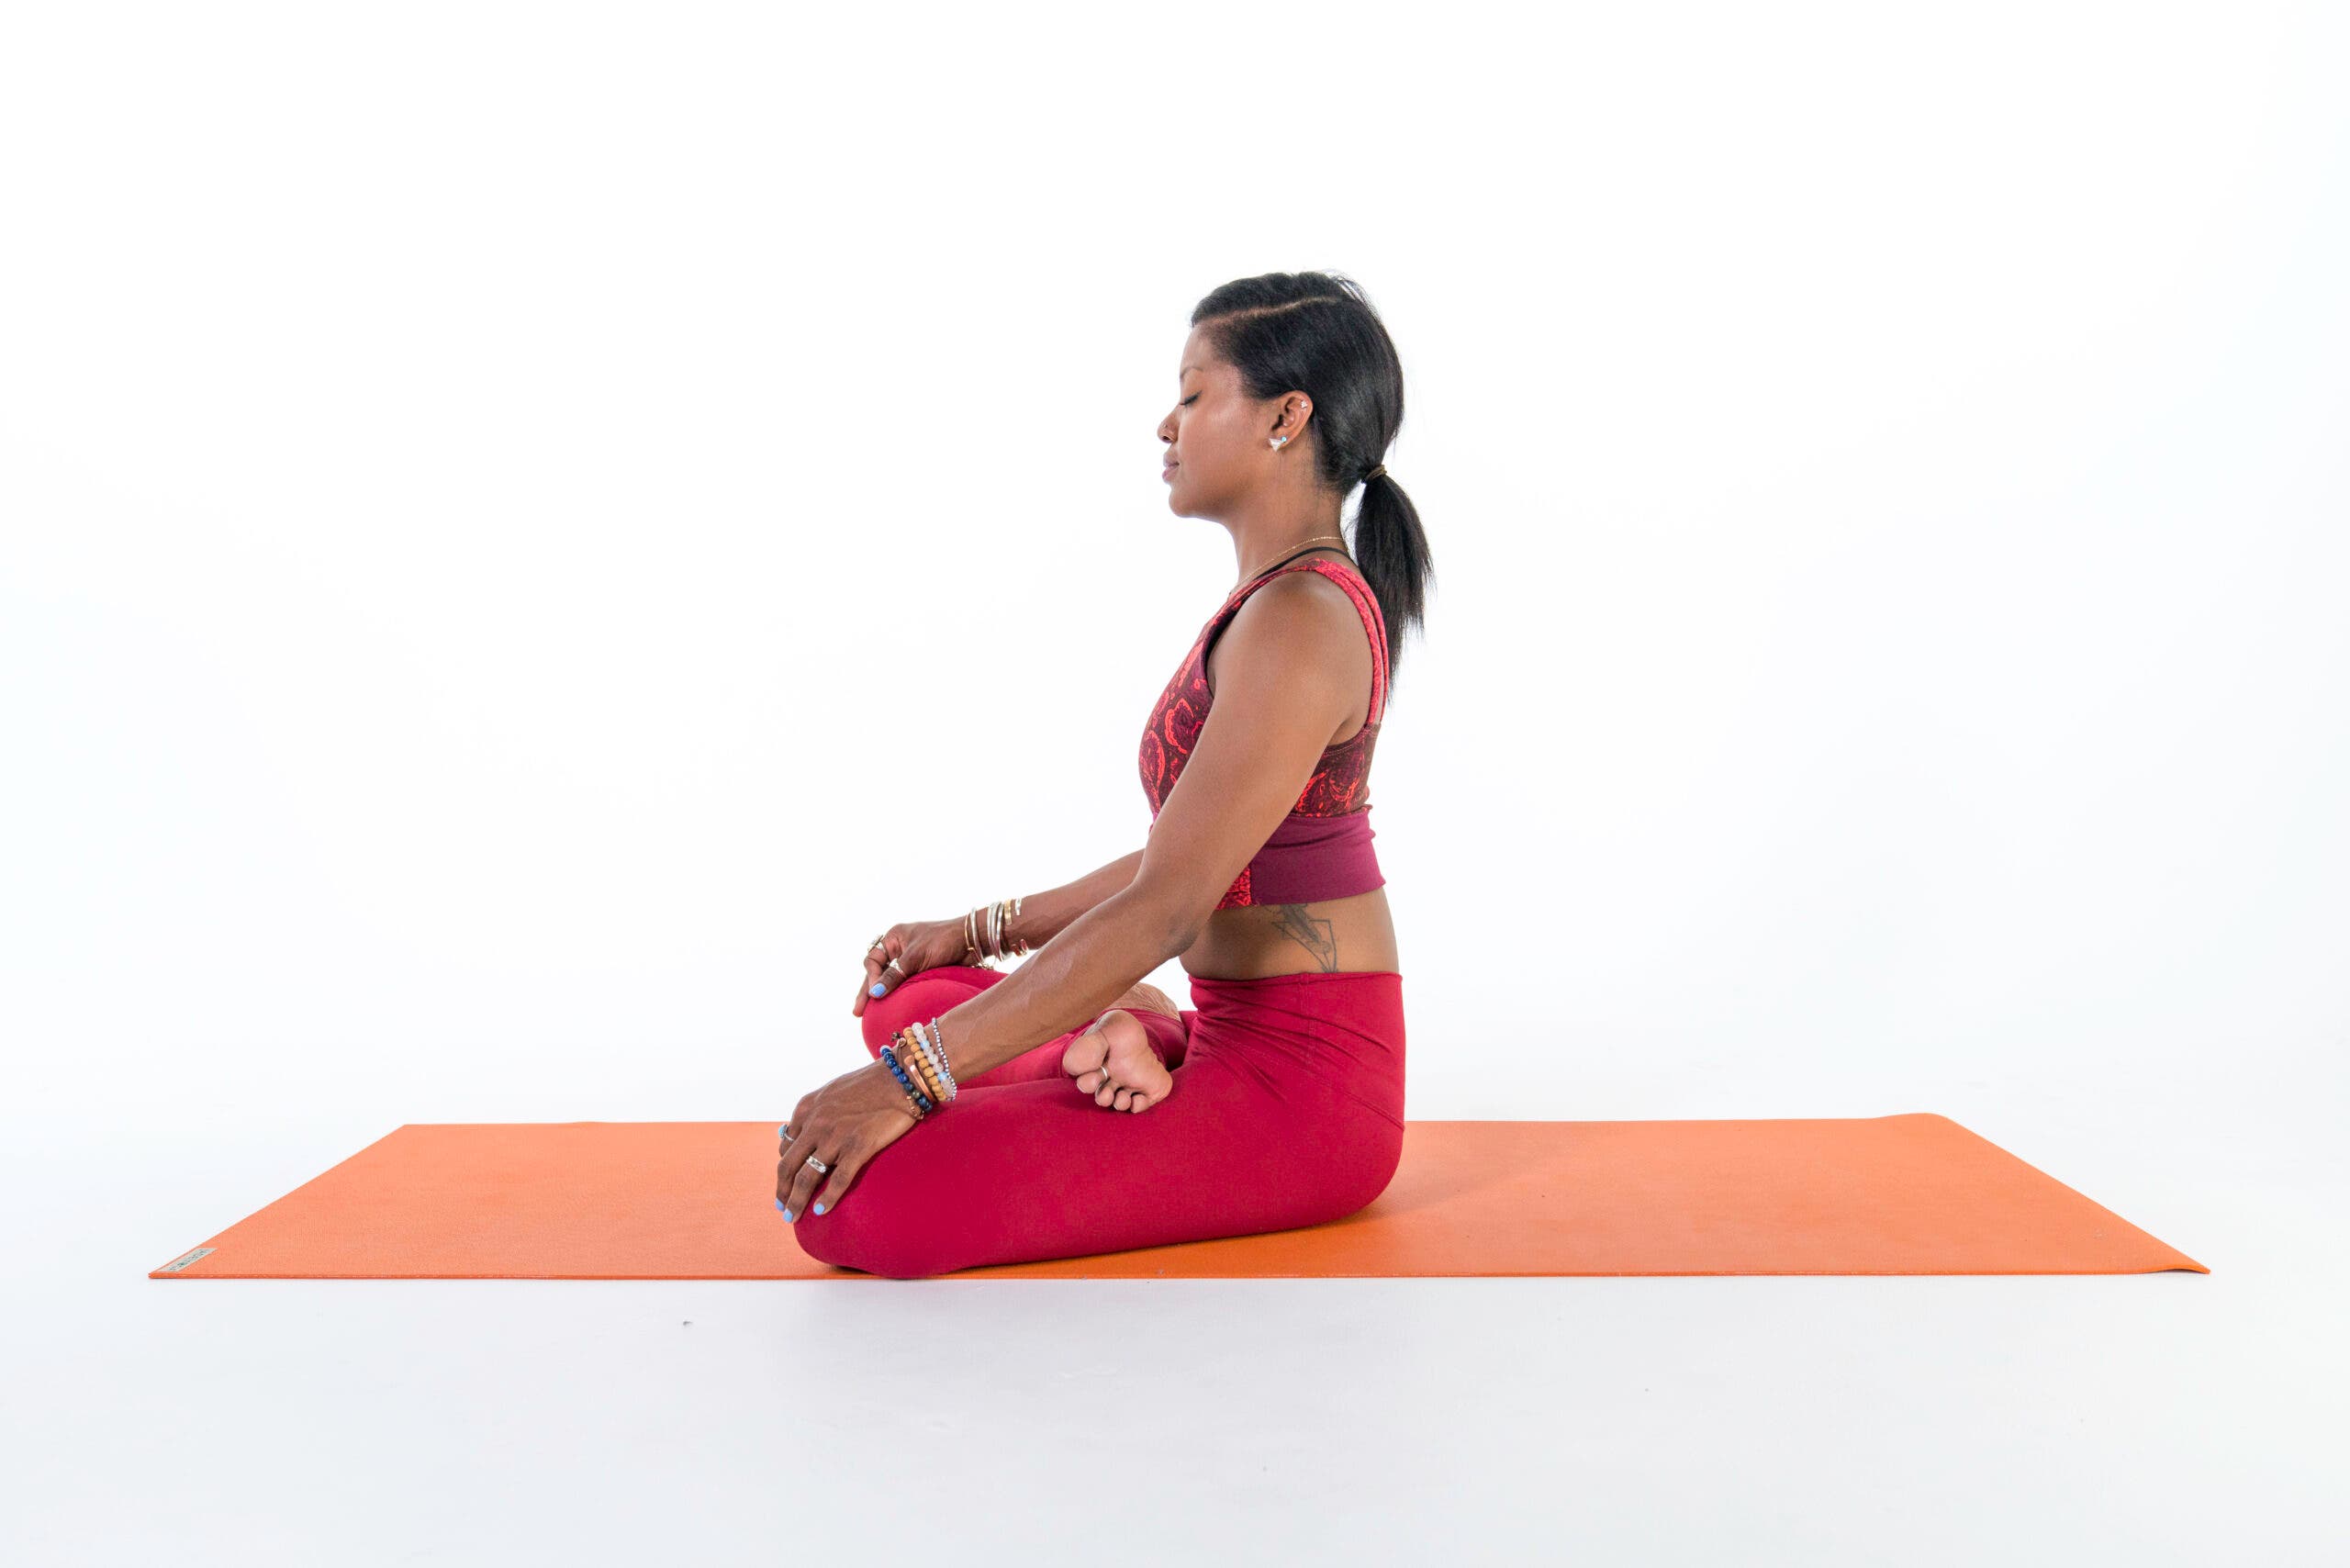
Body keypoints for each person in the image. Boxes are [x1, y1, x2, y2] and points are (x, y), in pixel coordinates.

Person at [778, 270, 1436, 1278]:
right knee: (906, 1000)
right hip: (1231, 1035)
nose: (1165, 425)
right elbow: (1181, 862)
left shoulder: (1302, 620)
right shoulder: (1271, 605)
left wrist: (909, 1084)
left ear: (1285, 416)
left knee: (857, 1206)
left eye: (1190, 393)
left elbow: (1170, 906)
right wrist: (975, 931)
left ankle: (1141, 1034)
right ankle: (1143, 1033)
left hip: (1303, 1098)